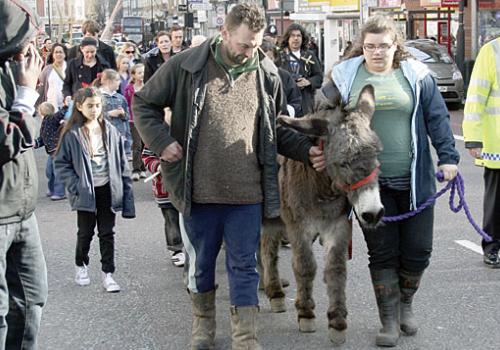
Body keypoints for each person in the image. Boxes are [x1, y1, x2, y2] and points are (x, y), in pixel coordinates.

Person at [133, 4, 325, 349]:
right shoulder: (185, 66)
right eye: (243, 45)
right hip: (198, 193)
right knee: (202, 265)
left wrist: (305, 151)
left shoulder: (266, 72)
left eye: (255, 45)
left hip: (247, 195)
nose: (249, 52)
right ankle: (204, 328)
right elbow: (143, 104)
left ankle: (245, 337)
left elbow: (275, 129)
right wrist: (162, 142)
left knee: (245, 267)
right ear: (224, 33)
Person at [331, 15, 459, 347]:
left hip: (415, 179)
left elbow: (437, 118)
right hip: (368, 185)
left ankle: (406, 305)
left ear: (395, 45)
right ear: (363, 45)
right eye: (370, 46)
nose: (376, 52)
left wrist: (448, 158)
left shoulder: (417, 76)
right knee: (383, 253)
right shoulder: (344, 77)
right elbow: (321, 115)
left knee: (418, 251)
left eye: (383, 46)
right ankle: (388, 320)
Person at [0, 1, 48, 347]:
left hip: (22, 210)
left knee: (32, 300)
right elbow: (6, 140)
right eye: (28, 40)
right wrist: (27, 97)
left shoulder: (11, 68)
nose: (34, 48)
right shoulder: (17, 77)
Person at [54, 87, 135, 292]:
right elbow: (61, 164)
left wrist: (126, 193)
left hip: (108, 189)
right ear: (79, 107)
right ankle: (81, 264)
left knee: (107, 233)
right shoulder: (72, 133)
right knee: (86, 232)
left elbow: (122, 163)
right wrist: (75, 186)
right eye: (90, 106)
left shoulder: (111, 130)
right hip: (85, 192)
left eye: (98, 105)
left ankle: (108, 274)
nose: (95, 109)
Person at [463, 37, 500, 268]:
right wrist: (473, 137)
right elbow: (476, 97)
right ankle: (492, 247)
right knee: (497, 202)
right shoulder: (492, 51)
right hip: (497, 143)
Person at [142, 145, 185, 267]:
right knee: (171, 219)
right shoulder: (155, 132)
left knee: (193, 218)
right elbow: (147, 156)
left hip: (187, 185)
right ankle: (176, 249)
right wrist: (157, 166)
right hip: (164, 187)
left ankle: (196, 248)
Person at [280, 23, 323, 114]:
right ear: (288, 38)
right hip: (286, 102)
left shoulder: (309, 55)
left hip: (305, 103)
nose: (296, 38)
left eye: (298, 36)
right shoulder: (280, 56)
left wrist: (308, 82)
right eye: (293, 36)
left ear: (302, 38)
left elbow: (319, 77)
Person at [96, 69, 132, 158]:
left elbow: (127, 118)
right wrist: (109, 114)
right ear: (108, 81)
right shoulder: (97, 97)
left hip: (120, 137)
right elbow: (93, 117)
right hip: (103, 137)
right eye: (117, 80)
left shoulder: (121, 98)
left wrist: (123, 114)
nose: (119, 82)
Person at [261, 39, 302, 117]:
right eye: (263, 59)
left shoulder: (284, 76)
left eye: (270, 59)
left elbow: (296, 101)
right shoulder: (253, 76)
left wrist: (284, 112)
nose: (267, 62)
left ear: (275, 58)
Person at [38, 101, 67, 200]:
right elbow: (42, 138)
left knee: (57, 171)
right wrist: (35, 143)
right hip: (51, 151)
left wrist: (66, 106)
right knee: (49, 171)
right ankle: (52, 189)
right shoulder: (44, 122)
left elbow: (60, 114)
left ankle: (60, 192)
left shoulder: (52, 118)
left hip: (57, 149)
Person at [124, 63, 147, 180]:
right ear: (133, 75)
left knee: (144, 144)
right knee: (136, 144)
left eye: (143, 72)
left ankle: (143, 167)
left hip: (146, 119)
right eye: (139, 73)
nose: (142, 75)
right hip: (133, 120)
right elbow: (127, 103)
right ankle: (136, 169)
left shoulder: (148, 85)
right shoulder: (129, 89)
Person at [37, 42, 67, 109]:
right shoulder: (47, 69)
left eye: (60, 52)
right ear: (52, 54)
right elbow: (41, 87)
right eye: (56, 52)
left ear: (65, 54)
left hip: (66, 105)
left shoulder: (70, 67)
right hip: (50, 104)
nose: (58, 54)